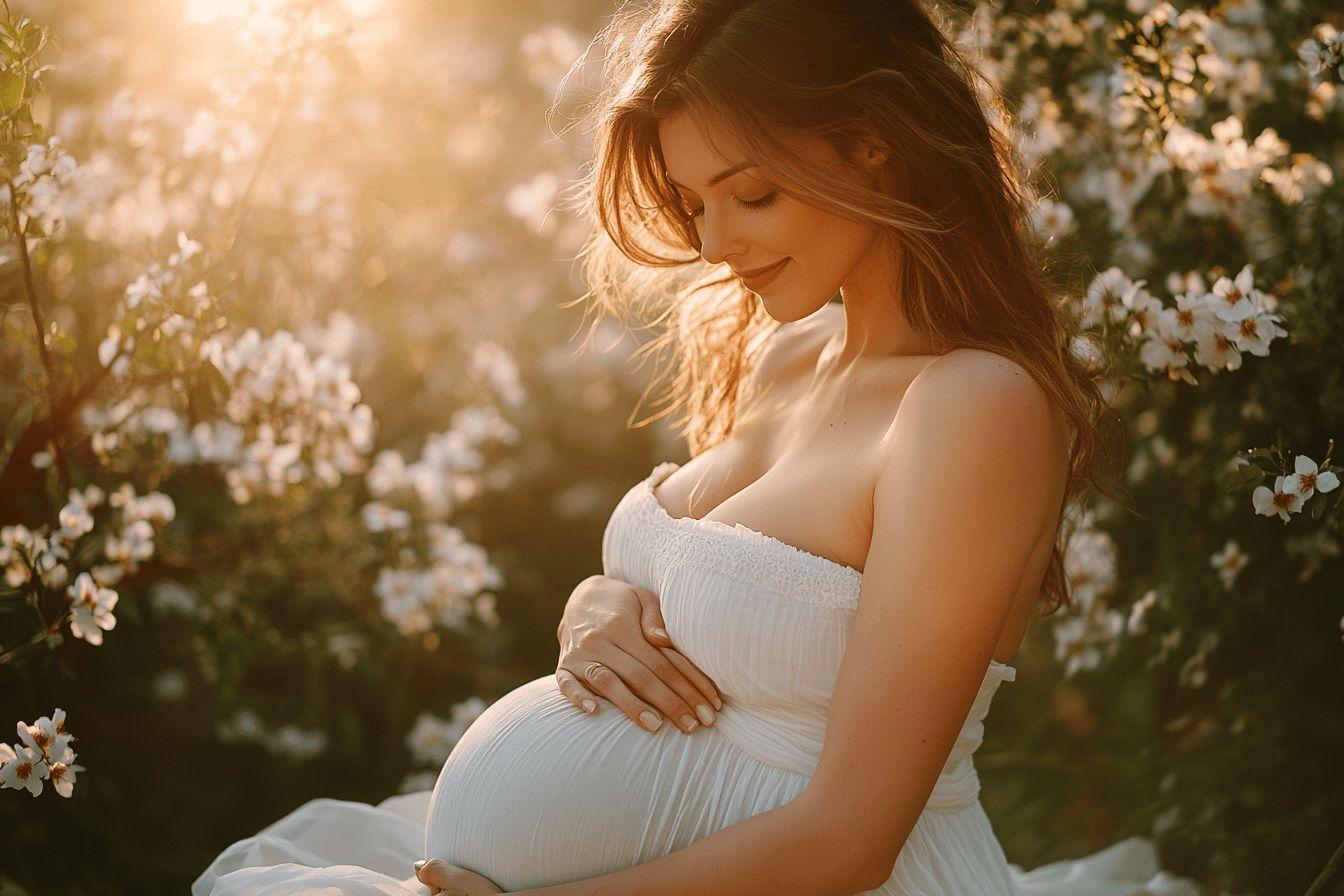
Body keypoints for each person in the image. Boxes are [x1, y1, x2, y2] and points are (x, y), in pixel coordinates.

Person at [194, 1, 1202, 894]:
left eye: (751, 191)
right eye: (694, 203)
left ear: (876, 142)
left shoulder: (977, 404)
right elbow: (719, 594)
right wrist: (595, 605)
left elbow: (849, 841)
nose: (715, 242)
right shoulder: (789, 357)